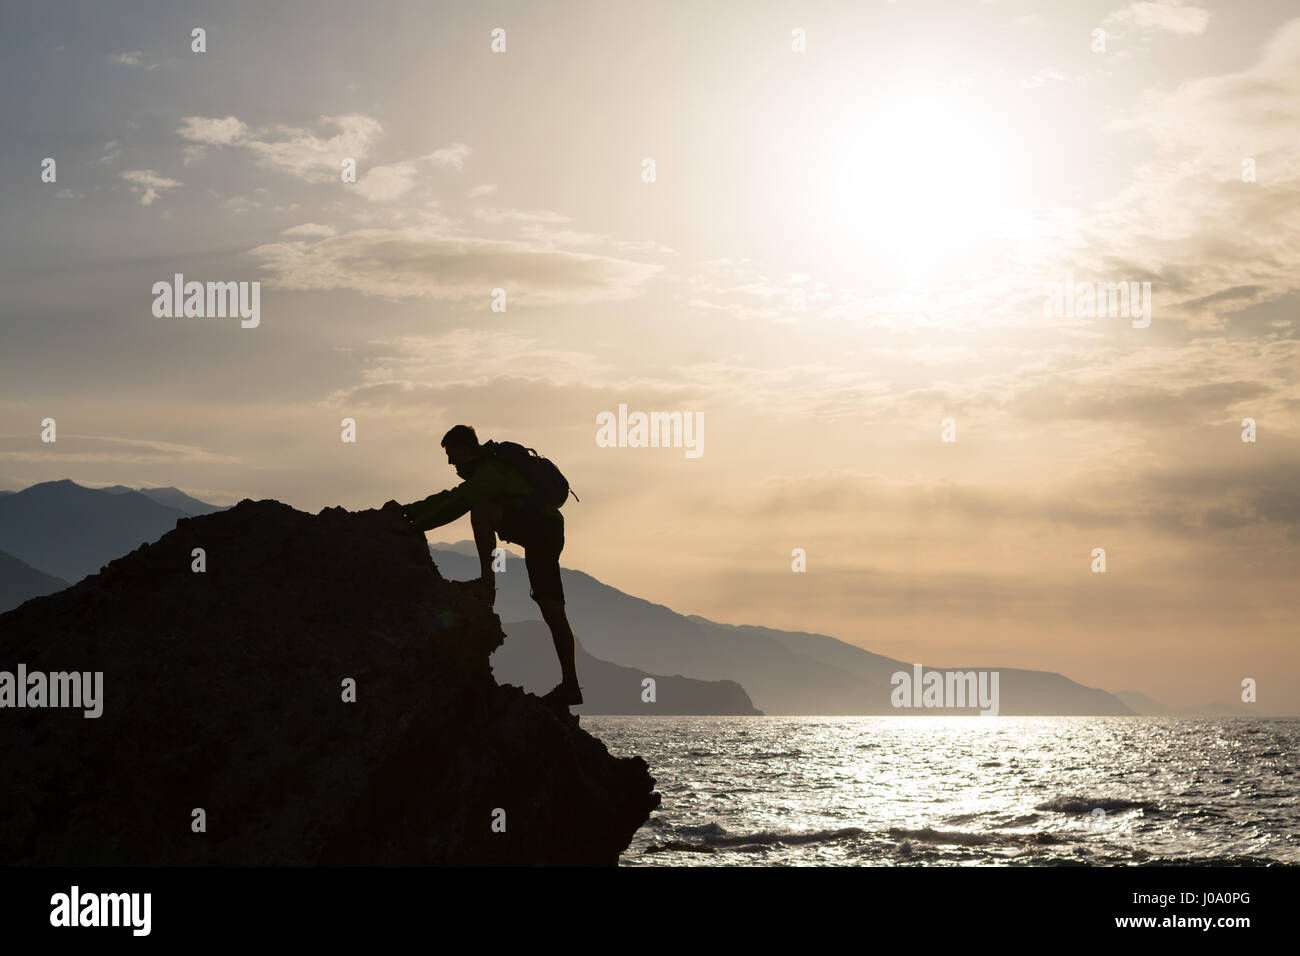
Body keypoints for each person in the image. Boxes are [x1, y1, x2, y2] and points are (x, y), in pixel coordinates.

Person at [399, 425, 582, 706]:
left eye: (452, 454)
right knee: (552, 608)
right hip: (543, 530)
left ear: (466, 448)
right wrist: (408, 511)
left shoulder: (491, 470)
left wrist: (413, 527)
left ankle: (487, 585)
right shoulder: (487, 471)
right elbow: (452, 495)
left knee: (480, 510)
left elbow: (456, 503)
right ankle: (571, 686)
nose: (450, 462)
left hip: (542, 528)